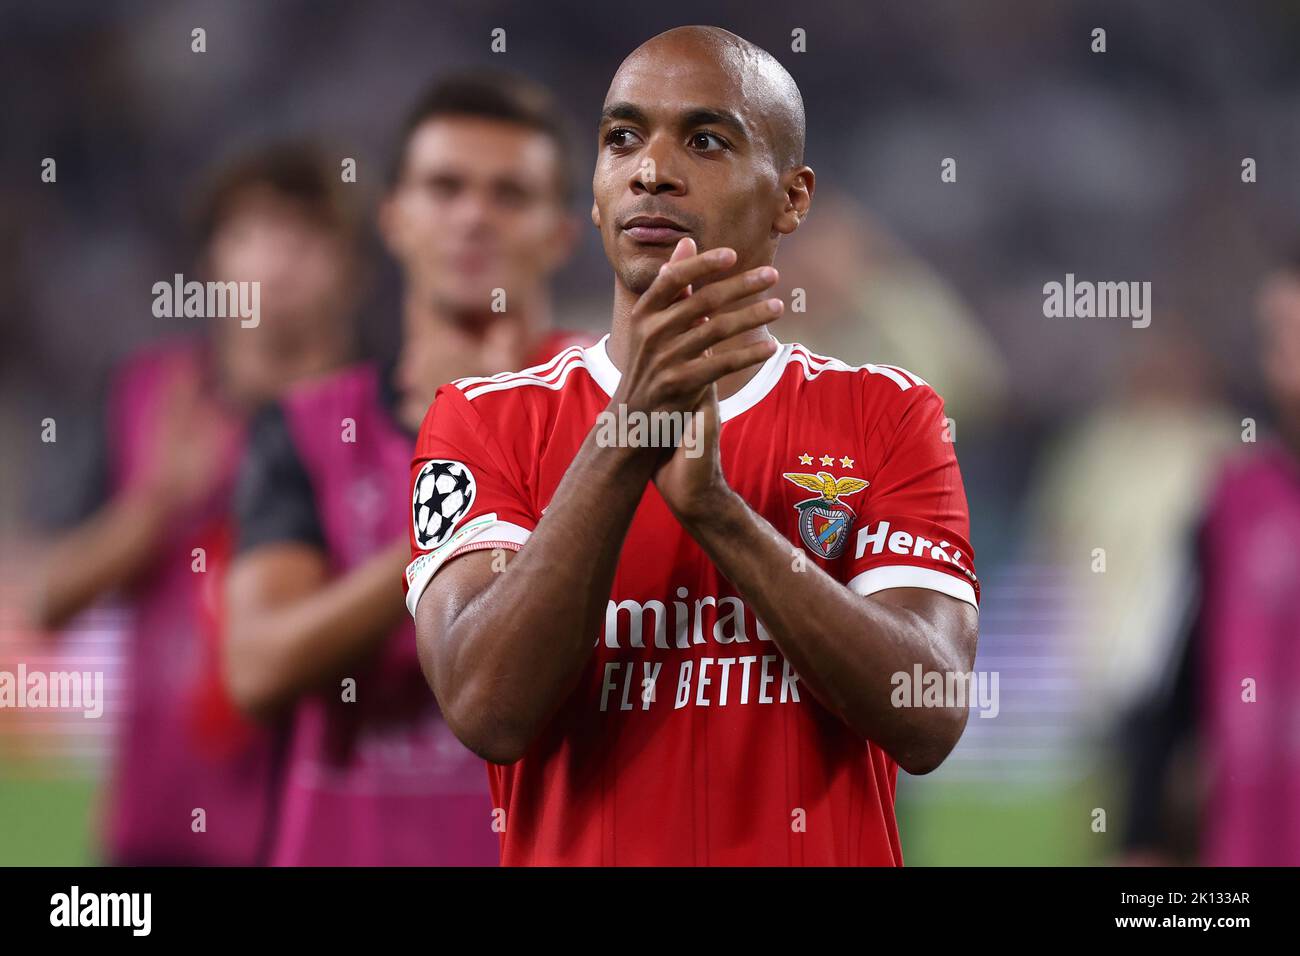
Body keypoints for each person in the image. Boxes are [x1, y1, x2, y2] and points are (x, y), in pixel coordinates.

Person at [406, 27, 980, 866]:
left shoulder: (887, 415)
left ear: (792, 199)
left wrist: (720, 513)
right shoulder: (483, 422)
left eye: (705, 140)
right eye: (622, 139)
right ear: (597, 194)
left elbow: (927, 715)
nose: (652, 169)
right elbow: (488, 709)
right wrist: (626, 435)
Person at [224, 71, 588, 865]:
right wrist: (445, 519)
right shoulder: (306, 428)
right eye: (445, 187)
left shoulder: (618, 415)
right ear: (394, 218)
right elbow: (257, 667)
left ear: (561, 233)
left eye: (509, 195)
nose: (472, 216)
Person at [24, 143, 362, 864]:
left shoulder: (383, 421)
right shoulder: (147, 394)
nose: (278, 259)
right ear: (212, 259)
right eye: (252, 231)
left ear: (351, 266)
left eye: (305, 234)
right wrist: (155, 505)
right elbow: (48, 600)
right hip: (153, 832)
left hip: (306, 833)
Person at [1121, 255, 1300, 866]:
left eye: (1290, 331)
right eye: (1271, 334)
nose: (1277, 353)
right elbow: (1173, 677)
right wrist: (1140, 835)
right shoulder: (1232, 500)